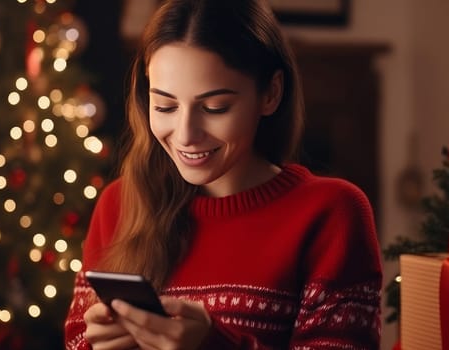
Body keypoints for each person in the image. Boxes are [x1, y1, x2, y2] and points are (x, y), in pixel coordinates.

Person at [64, 0, 382, 349]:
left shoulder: (332, 212)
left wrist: (211, 344)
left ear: (271, 94)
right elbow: (78, 339)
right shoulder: (119, 204)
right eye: (165, 106)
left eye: (215, 107)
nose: (185, 134)